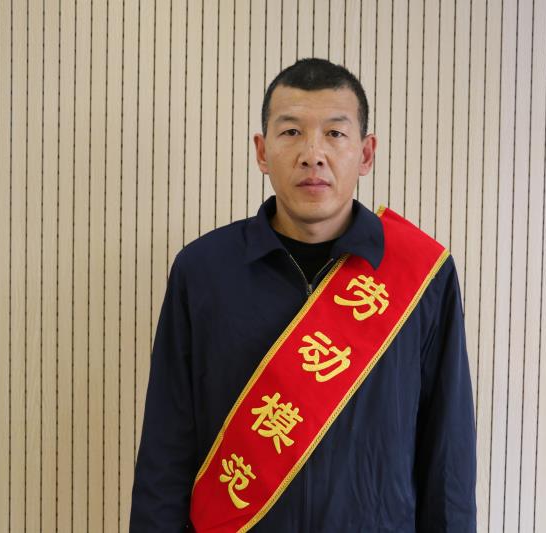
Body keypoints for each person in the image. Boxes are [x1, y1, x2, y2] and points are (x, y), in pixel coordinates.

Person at [129, 58, 476, 532]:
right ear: (262, 151)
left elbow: (448, 455)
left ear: (366, 154)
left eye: (335, 133)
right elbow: (166, 448)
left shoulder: (423, 276)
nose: (313, 154)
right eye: (291, 132)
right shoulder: (203, 271)